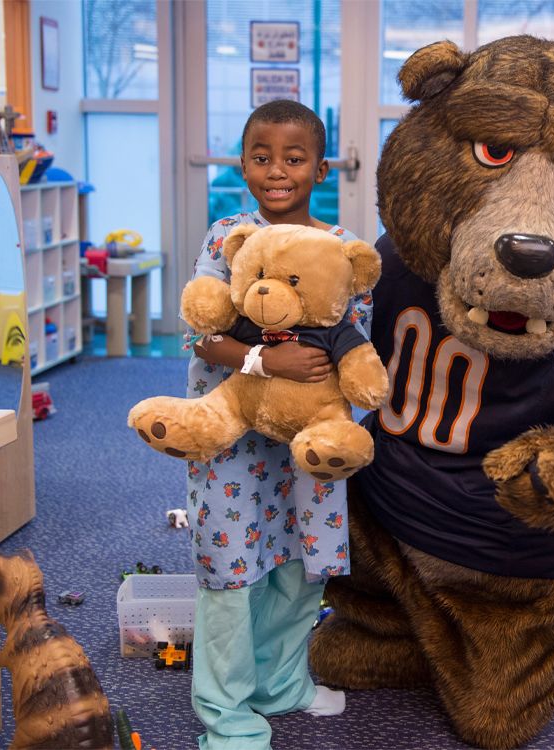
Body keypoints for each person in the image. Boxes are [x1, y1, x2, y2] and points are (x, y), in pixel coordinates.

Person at [185, 99, 370, 750]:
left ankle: (281, 684)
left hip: (306, 444)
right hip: (232, 442)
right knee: (233, 572)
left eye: (294, 158)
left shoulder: (342, 250)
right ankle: (227, 716)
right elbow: (200, 336)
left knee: (298, 566)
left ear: (320, 168)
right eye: (261, 157)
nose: (277, 170)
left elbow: (359, 344)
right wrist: (266, 359)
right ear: (243, 163)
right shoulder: (225, 237)